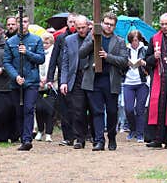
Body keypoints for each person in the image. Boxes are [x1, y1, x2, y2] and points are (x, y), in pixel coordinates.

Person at [79, 12, 127, 151]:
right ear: (102, 23)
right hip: (94, 80)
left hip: (110, 80)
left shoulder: (119, 41)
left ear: (115, 26)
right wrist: (93, 41)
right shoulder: (93, 36)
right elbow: (81, 53)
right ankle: (99, 141)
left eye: (111, 25)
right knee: (97, 111)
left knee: (112, 111)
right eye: (106, 23)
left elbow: (124, 61)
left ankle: (112, 137)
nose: (108, 27)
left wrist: (108, 56)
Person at [3, 16, 45, 151]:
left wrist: (27, 53)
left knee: (28, 109)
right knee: (18, 110)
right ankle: (21, 136)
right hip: (16, 82)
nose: (23, 24)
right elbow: (7, 62)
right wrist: (15, 76)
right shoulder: (10, 42)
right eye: (20, 22)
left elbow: (41, 59)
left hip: (31, 81)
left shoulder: (36, 40)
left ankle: (27, 139)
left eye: (25, 22)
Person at [47, 13, 77, 146]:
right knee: (64, 108)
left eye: (74, 22)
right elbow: (53, 59)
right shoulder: (60, 38)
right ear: (67, 22)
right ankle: (67, 136)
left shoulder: (83, 37)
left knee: (77, 107)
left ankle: (80, 134)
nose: (72, 24)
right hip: (62, 77)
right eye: (70, 22)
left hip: (77, 76)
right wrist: (49, 77)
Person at [144, 13, 167, 148]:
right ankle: (156, 138)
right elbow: (147, 60)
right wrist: (154, 57)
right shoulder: (154, 39)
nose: (164, 26)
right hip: (158, 76)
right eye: (162, 24)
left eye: (166, 24)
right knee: (157, 105)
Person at [60, 15, 90, 149]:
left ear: (88, 26)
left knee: (94, 109)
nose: (81, 30)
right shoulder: (69, 40)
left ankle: (96, 136)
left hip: (91, 77)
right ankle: (79, 138)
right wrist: (63, 81)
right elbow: (65, 62)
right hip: (76, 78)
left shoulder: (94, 38)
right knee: (78, 110)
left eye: (83, 27)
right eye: (78, 28)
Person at [123, 30, 149, 143]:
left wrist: (145, 63)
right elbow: (120, 62)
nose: (135, 43)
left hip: (141, 82)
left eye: (137, 40)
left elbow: (151, 62)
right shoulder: (125, 50)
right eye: (133, 40)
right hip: (128, 82)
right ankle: (132, 129)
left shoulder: (146, 50)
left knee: (140, 109)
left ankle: (140, 133)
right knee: (128, 109)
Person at [35, 33, 56, 142]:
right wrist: (39, 79)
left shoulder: (54, 54)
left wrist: (48, 79)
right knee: (39, 109)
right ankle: (40, 130)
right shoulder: (38, 52)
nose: (44, 45)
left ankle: (49, 132)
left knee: (49, 110)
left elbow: (56, 68)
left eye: (47, 43)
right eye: (43, 43)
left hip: (51, 85)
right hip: (39, 85)